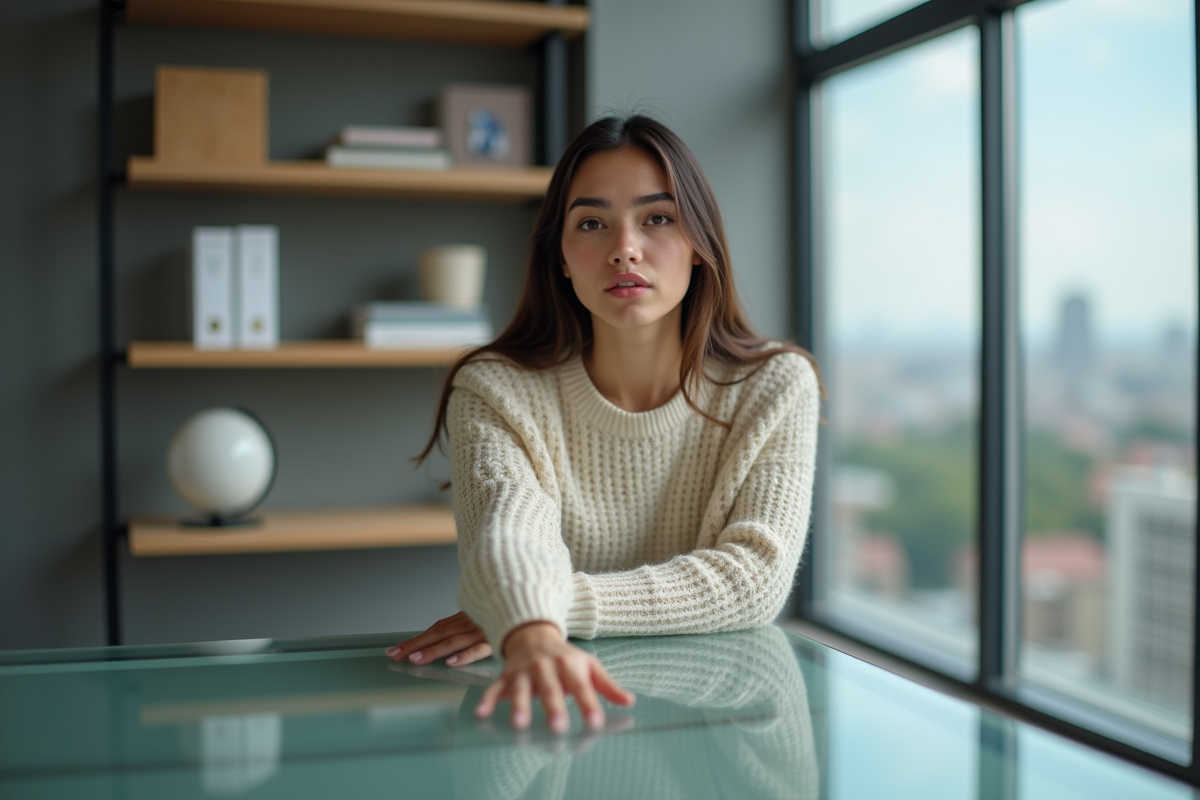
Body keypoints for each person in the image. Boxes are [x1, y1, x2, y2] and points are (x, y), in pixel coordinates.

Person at [385, 114, 821, 735]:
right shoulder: (494, 387)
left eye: (658, 218)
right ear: (561, 258)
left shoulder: (775, 384)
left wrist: (539, 610)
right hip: (553, 724)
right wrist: (530, 629)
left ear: (700, 244)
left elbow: (754, 578)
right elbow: (508, 529)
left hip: (720, 729)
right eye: (591, 223)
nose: (625, 248)